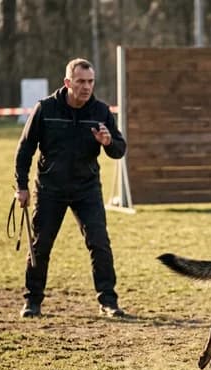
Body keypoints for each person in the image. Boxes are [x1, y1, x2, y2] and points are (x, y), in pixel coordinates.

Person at [14, 58, 127, 318]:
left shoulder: (100, 111)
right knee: (40, 246)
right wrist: (21, 186)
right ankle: (32, 301)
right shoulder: (45, 109)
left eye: (90, 82)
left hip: (86, 189)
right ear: (68, 83)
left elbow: (119, 150)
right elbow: (25, 150)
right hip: (49, 189)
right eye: (81, 82)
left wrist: (108, 142)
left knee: (100, 244)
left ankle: (108, 302)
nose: (86, 87)